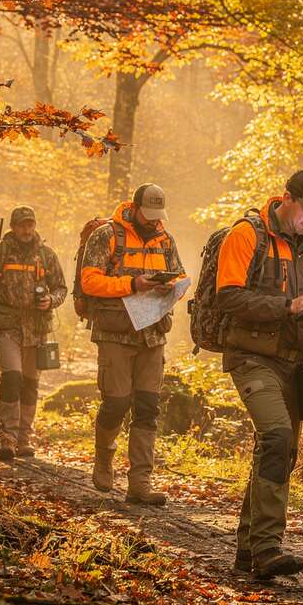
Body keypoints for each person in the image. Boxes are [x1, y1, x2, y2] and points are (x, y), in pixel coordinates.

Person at [215, 169, 303, 580]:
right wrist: (287, 306)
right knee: (276, 437)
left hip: (296, 361)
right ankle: (268, 548)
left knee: (282, 454)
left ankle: (247, 547)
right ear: (287, 198)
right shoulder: (246, 235)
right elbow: (228, 297)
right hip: (252, 357)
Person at [80, 184, 186, 506]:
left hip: (152, 332)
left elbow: (179, 273)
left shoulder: (165, 239)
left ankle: (140, 483)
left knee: (148, 406)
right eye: (148, 215)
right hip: (116, 332)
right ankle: (103, 458)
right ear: (135, 208)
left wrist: (170, 284)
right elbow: (90, 280)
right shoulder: (108, 235)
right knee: (116, 403)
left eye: (158, 216)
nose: (154, 221)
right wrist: (132, 284)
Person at [0, 206, 67, 462]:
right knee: (12, 376)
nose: (26, 230)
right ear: (13, 227)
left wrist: (51, 300)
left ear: (35, 226)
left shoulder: (46, 255)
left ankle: (24, 438)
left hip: (35, 327)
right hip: (6, 325)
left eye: (30, 224)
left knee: (30, 383)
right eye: (22, 225)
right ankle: (8, 438)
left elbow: (61, 287)